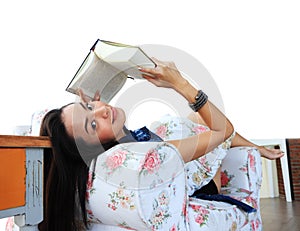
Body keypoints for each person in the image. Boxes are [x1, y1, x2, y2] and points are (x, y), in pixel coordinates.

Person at [38, 58, 284, 231]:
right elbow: (224, 130)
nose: (101, 110)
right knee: (199, 121)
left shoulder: (123, 149)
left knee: (190, 119)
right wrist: (178, 83)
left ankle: (257, 148)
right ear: (94, 149)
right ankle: (257, 149)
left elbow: (98, 117)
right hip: (204, 184)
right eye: (92, 125)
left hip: (178, 172)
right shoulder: (151, 162)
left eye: (89, 106)